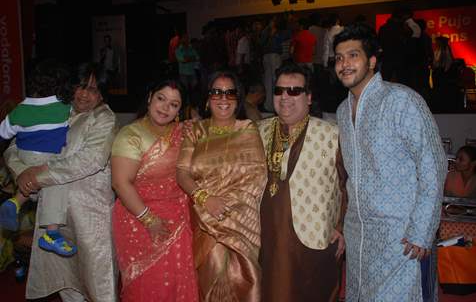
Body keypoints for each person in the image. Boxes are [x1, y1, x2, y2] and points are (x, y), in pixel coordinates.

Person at [333, 23, 447, 301]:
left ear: (372, 61)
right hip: (360, 237)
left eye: (353, 55)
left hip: (402, 239)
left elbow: (433, 166)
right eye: (338, 58)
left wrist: (421, 231)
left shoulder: (402, 101)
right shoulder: (341, 111)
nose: (344, 64)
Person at [4, 62, 118, 302]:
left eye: (93, 89)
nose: (85, 94)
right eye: (80, 86)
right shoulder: (59, 109)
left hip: (90, 218)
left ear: (102, 94)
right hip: (53, 218)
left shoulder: (104, 118)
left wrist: (37, 175)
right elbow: (15, 145)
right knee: (67, 286)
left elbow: (90, 160)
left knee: (99, 286)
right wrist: (22, 173)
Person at [258, 62, 345, 302]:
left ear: (308, 97)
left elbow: (348, 185)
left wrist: (342, 227)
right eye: (279, 90)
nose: (285, 97)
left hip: (315, 238)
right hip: (266, 238)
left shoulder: (332, 134)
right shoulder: (257, 131)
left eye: (294, 91)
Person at [176, 70, 267, 301]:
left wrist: (226, 209)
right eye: (216, 92)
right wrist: (206, 200)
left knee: (245, 283)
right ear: (207, 98)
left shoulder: (247, 129)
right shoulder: (196, 131)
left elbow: (257, 176)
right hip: (204, 219)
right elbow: (182, 172)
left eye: (230, 93)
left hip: (241, 222)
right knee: (210, 283)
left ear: (238, 99)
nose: (223, 98)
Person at [111, 80, 199, 301]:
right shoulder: (130, 135)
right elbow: (120, 183)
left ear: (180, 110)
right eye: (161, 98)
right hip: (139, 218)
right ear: (150, 97)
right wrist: (150, 220)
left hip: (180, 218)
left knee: (180, 282)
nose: (165, 108)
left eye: (174, 104)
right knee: (150, 286)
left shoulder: (185, 132)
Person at [0, 60, 77, 256]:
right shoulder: (64, 106)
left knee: (32, 184)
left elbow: (3, 132)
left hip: (24, 154)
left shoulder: (20, 109)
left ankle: (15, 202)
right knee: (57, 182)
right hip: (47, 157)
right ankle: (52, 233)